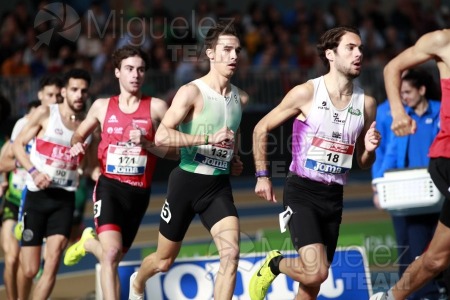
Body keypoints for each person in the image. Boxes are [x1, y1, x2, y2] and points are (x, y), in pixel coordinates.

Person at [248, 26, 381, 300]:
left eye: (361, 48)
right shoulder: (306, 93)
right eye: (351, 48)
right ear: (330, 54)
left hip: (333, 197)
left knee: (311, 286)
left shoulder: (366, 104)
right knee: (317, 271)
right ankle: (275, 263)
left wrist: (368, 150)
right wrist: (262, 175)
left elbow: (364, 162)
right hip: (302, 192)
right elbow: (260, 128)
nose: (359, 54)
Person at [128, 21, 248, 300]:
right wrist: (207, 140)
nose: (233, 57)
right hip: (186, 183)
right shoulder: (191, 92)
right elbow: (161, 136)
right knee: (162, 261)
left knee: (231, 254)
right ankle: (138, 281)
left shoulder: (237, 98)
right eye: (227, 50)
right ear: (210, 53)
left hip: (217, 187)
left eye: (237, 51)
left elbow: (231, 135)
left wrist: (233, 159)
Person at [63, 45, 178, 300]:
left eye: (140, 69)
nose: (135, 74)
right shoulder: (102, 107)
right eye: (129, 69)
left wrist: (148, 143)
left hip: (138, 194)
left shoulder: (157, 107)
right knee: (112, 254)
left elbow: (177, 152)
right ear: (117, 73)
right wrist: (77, 144)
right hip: (109, 186)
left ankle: (87, 243)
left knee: (113, 254)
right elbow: (77, 135)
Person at [370, 29, 450, 300]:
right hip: (445, 161)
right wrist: (397, 112)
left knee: (438, 258)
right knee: (432, 254)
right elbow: (393, 67)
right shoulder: (443, 40)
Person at [11, 69, 91, 300]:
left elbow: (87, 167)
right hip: (36, 196)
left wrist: (83, 158)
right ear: (64, 91)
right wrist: (34, 172)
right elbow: (18, 146)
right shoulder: (45, 113)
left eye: (83, 91)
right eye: (74, 89)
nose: (79, 95)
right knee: (30, 269)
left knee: (53, 260)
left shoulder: (87, 126)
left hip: (64, 199)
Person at [0, 74, 63, 300]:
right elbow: (2, 161)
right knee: (12, 257)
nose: (53, 100)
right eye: (49, 96)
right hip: (16, 199)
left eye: (57, 96)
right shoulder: (22, 126)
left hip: (41, 200)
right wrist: (21, 167)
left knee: (29, 266)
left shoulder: (62, 127)